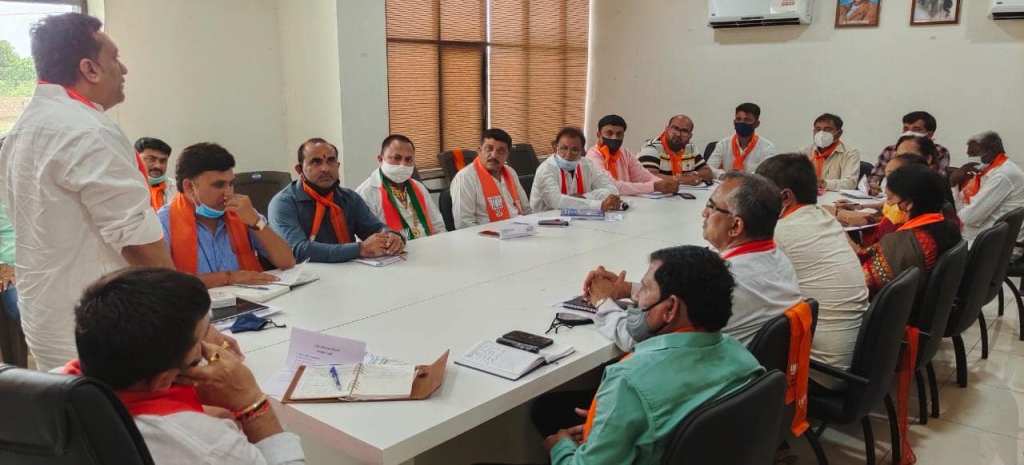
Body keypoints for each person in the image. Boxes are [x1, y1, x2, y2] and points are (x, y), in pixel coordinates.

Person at [0, 13, 175, 370]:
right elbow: (137, 239)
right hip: (98, 321)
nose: (123, 69)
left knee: (70, 403)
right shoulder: (87, 130)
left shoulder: (21, 131)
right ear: (90, 69)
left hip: (48, 313)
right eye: (115, 58)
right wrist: (187, 318)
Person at [541, 246, 763, 465]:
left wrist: (560, 447)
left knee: (546, 412)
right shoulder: (742, 357)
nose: (637, 298)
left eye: (645, 289)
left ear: (670, 308)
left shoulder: (628, 382)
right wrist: (613, 421)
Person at [63, 268, 305, 465]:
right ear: (164, 380)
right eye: (203, 336)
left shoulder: (56, 390)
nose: (212, 342)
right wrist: (252, 404)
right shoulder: (205, 442)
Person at [583, 172, 801, 348]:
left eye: (712, 207)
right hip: (747, 379)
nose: (704, 213)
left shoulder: (725, 280)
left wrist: (602, 302)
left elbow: (637, 338)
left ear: (735, 226)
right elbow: (687, 295)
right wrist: (631, 289)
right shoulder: (779, 260)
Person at [755, 154, 869, 376]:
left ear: (785, 197)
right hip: (853, 358)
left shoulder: (780, 233)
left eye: (759, 192)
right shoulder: (825, 218)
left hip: (820, 370)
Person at [160, 143, 296, 288]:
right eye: (219, 185)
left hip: (253, 298)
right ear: (189, 187)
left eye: (231, 184)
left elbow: (287, 262)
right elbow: (163, 284)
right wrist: (228, 278)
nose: (228, 193)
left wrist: (256, 222)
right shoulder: (163, 222)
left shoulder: (242, 211)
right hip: (194, 301)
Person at [269, 138, 405, 263]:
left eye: (331, 161)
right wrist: (360, 249)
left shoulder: (349, 198)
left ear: (338, 165)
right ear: (299, 170)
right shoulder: (284, 203)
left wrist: (392, 236)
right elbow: (298, 250)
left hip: (350, 269)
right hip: (307, 275)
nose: (325, 168)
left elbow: (375, 228)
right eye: (316, 162)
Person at [860, 164, 962, 294]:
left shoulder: (903, 244)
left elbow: (861, 282)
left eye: (890, 199)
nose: (888, 205)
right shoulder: (946, 223)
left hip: (897, 305)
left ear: (908, 204)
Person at [355, 134, 445, 240]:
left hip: (428, 244)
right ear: (380, 159)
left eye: (408, 159)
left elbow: (438, 225)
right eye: (396, 158)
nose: (403, 164)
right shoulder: (366, 193)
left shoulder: (418, 187)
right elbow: (368, 240)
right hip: (392, 249)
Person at [951, 131, 1024, 247]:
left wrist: (953, 187)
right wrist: (954, 183)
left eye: (974, 153)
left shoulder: (1002, 175)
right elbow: (962, 206)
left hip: (995, 244)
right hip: (986, 235)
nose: (971, 158)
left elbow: (969, 218)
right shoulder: (987, 171)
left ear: (990, 151)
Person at [450, 128, 531, 228]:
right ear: (479, 151)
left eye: (501, 151)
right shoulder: (465, 178)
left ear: (507, 155)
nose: (494, 155)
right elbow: (463, 224)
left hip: (520, 230)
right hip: (488, 234)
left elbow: (526, 210)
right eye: (489, 149)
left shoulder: (510, 172)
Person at [530, 127, 621, 212]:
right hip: (545, 219)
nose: (568, 154)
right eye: (564, 148)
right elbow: (556, 202)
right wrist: (599, 205)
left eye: (575, 150)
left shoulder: (588, 165)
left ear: (582, 151)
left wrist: (584, 197)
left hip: (579, 217)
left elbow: (612, 190)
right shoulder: (546, 169)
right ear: (555, 147)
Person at [584, 114, 680, 196]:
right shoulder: (593, 156)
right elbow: (612, 186)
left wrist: (665, 184)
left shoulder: (625, 153)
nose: (614, 138)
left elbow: (644, 177)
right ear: (598, 135)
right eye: (609, 133)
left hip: (626, 203)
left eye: (619, 134)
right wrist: (654, 186)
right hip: (602, 206)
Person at [866, 111, 951, 195]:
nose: (909, 133)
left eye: (916, 129)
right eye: (906, 129)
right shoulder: (890, 150)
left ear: (930, 134)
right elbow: (875, 176)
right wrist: (873, 185)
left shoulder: (940, 152)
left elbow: (938, 181)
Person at [636, 115, 713, 185]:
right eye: (675, 128)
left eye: (684, 131)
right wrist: (684, 179)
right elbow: (648, 177)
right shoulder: (651, 147)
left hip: (685, 193)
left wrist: (695, 175)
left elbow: (708, 172)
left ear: (690, 136)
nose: (678, 134)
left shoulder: (690, 147)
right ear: (667, 129)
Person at [707, 103, 777, 177]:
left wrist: (742, 178)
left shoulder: (767, 147)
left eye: (747, 120)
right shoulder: (723, 144)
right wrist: (724, 175)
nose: (742, 123)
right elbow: (709, 168)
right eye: (738, 119)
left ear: (757, 124)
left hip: (752, 184)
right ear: (734, 122)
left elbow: (766, 173)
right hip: (726, 182)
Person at [803, 113, 861, 191]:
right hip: (809, 195)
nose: (821, 134)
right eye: (818, 129)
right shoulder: (805, 152)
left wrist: (824, 183)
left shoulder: (850, 153)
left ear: (839, 133)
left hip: (835, 197)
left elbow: (850, 184)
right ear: (813, 131)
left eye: (828, 129)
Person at [136, 137, 177, 210]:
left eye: (163, 161)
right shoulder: (126, 189)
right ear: (137, 160)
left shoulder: (178, 189)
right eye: (151, 159)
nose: (158, 166)